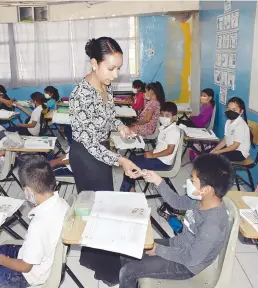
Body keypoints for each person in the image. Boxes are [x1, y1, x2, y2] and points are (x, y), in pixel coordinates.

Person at [69, 37, 141, 285]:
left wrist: (121, 126)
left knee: (102, 205)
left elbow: (108, 118)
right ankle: (105, 266)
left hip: (99, 151)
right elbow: (88, 142)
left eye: (118, 67)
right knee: (97, 209)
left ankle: (93, 258)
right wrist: (120, 160)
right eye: (111, 68)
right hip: (85, 154)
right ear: (93, 63)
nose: (115, 73)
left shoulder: (105, 87)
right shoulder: (81, 94)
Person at [119, 153, 233, 288]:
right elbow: (177, 202)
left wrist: (159, 250)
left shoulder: (212, 225)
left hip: (187, 265)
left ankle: (130, 278)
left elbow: (192, 258)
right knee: (129, 251)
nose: (188, 184)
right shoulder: (201, 198)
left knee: (127, 272)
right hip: (178, 245)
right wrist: (157, 179)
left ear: (206, 189)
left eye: (193, 180)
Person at [0, 155, 69, 288]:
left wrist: (3, 260)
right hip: (31, 254)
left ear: (28, 191)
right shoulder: (61, 202)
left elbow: (25, 267)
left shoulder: (40, 224)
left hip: (27, 274)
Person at [120, 102, 180, 192]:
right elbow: (161, 146)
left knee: (132, 167)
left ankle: (125, 192)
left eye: (167, 115)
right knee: (130, 160)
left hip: (163, 163)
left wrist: (152, 155)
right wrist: (152, 152)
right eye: (162, 114)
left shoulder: (173, 130)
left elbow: (169, 151)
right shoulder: (164, 127)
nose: (163, 118)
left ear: (174, 117)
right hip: (158, 158)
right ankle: (131, 188)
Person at [210, 97, 251, 162]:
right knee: (207, 153)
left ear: (241, 111)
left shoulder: (240, 125)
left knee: (215, 159)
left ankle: (218, 172)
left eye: (234, 110)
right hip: (230, 148)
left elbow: (235, 146)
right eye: (229, 109)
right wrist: (216, 149)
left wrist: (219, 152)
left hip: (239, 153)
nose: (230, 111)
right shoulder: (228, 121)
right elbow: (225, 139)